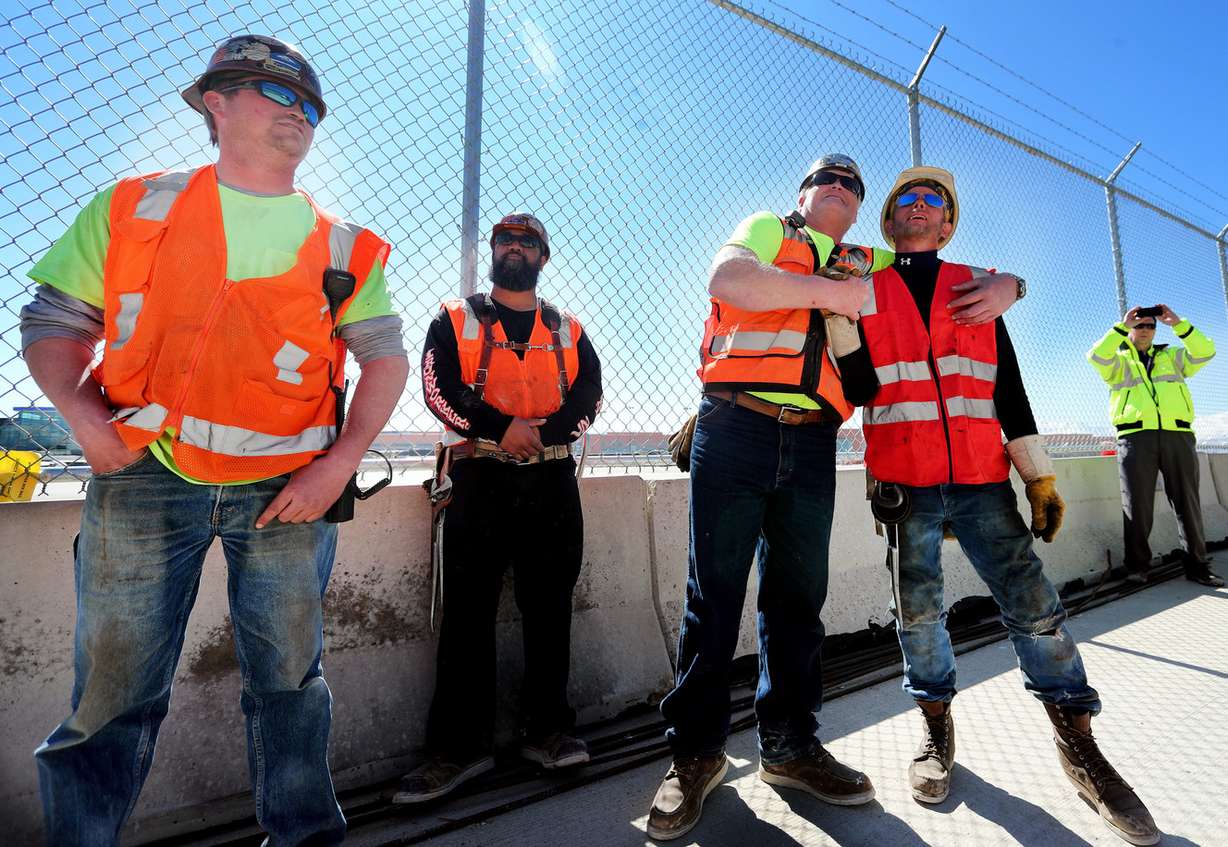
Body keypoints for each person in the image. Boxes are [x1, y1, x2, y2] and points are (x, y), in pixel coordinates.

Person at [21, 35, 409, 845]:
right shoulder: (134, 208)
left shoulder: (343, 245)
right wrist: (85, 422)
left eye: (309, 105)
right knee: (113, 694)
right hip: (144, 478)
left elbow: (383, 357)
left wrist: (338, 466)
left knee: (290, 685)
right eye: (275, 95)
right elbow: (55, 323)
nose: (297, 115)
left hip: (288, 492)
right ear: (215, 104)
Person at [646, 154, 1024, 841]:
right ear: (803, 191)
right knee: (717, 592)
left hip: (815, 437)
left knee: (797, 598)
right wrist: (827, 293)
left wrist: (1011, 285)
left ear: (860, 206)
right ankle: (695, 755)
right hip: (736, 423)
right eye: (829, 178)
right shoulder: (768, 229)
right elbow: (728, 280)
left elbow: (930, 267)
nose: (841, 188)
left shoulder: (867, 255)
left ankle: (789, 746)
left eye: (853, 184)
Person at [842, 165, 1157, 845]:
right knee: (919, 614)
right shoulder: (865, 289)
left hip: (983, 478)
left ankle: (1079, 744)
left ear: (948, 224)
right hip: (907, 482)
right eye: (906, 200)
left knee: (1034, 606)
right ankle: (935, 730)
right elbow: (857, 384)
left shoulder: (978, 288)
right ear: (889, 222)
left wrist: (1037, 474)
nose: (919, 206)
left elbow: (1006, 388)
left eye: (934, 201)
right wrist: (840, 316)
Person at [393, 212, 603, 805]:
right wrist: (499, 427)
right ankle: (459, 751)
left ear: (543, 255)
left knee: (549, 609)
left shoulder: (567, 327)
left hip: (551, 478)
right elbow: (439, 389)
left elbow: (590, 392)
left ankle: (549, 732)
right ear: (493, 251)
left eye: (527, 241)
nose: (514, 248)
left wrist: (542, 432)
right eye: (505, 240)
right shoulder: (453, 318)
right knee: (467, 616)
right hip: (478, 474)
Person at [1088, 306, 1222, 586]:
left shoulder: (1172, 357)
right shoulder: (1118, 361)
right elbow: (1096, 355)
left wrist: (1177, 323)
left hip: (1178, 435)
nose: (1145, 329)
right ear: (1131, 328)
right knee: (1137, 506)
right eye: (1139, 325)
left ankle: (1197, 566)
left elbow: (1206, 351)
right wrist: (1121, 326)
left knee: (1188, 503)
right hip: (1136, 438)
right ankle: (1137, 568)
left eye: (1150, 325)